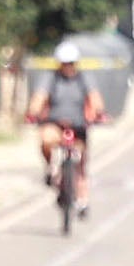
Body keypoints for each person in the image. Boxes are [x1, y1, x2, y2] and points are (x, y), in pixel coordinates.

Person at [35, 53, 103, 213]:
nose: (68, 66)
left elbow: (94, 97)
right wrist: (34, 111)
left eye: (71, 63)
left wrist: (98, 112)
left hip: (78, 125)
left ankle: (82, 199)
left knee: (80, 163)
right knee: (46, 139)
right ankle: (52, 171)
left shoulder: (84, 78)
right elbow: (39, 96)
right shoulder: (51, 78)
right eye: (65, 63)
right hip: (55, 123)